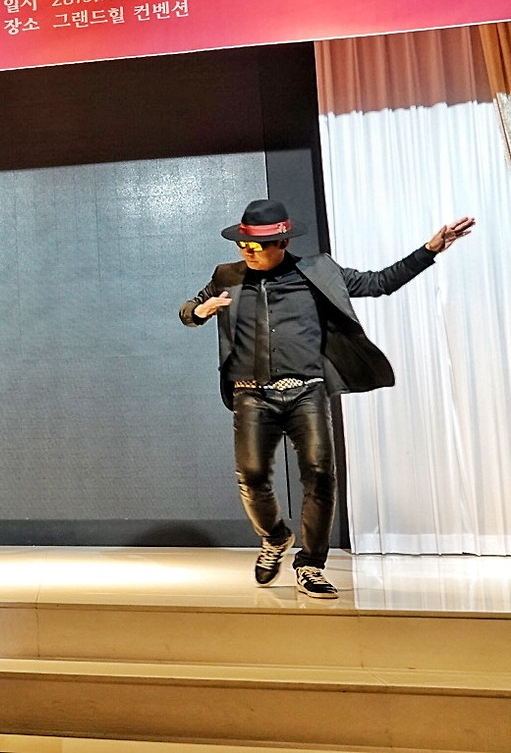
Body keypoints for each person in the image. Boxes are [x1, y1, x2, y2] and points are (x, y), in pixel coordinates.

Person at [180, 200, 474, 598]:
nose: (246, 252)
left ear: (282, 243)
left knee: (320, 475)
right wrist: (200, 311)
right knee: (251, 477)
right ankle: (275, 537)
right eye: (242, 244)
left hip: (306, 392)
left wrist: (430, 250)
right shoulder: (226, 275)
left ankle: (310, 564)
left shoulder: (318, 270)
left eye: (256, 246)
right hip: (251, 394)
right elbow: (188, 309)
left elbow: (379, 282)